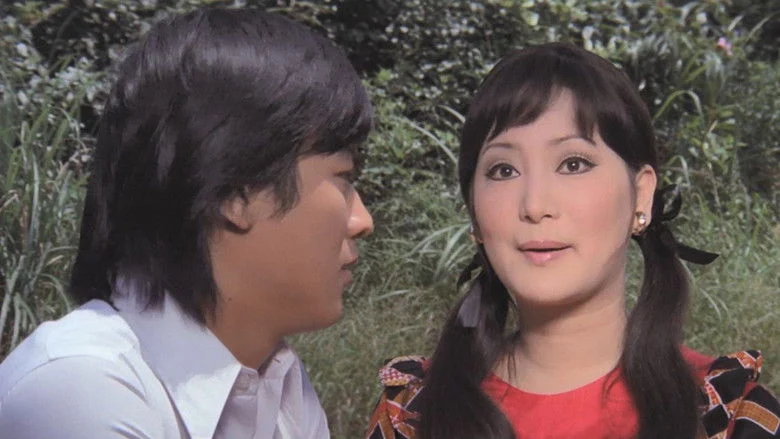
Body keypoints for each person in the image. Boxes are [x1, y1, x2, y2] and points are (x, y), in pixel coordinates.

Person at [365, 43, 780, 439]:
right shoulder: (412, 416)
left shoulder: (725, 417)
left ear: (641, 195)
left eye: (573, 163)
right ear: (473, 212)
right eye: (504, 170)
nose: (534, 205)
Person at [0, 7, 374, 439]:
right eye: (343, 178)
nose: (362, 220)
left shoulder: (278, 383)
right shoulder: (80, 392)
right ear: (238, 192)